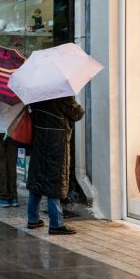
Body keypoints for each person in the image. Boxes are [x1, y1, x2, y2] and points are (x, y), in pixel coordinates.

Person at [26, 96, 84, 235]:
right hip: (56, 143)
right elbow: (78, 113)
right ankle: (56, 224)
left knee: (37, 179)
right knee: (54, 180)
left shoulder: (36, 93)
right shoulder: (62, 94)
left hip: (39, 141)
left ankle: (33, 219)